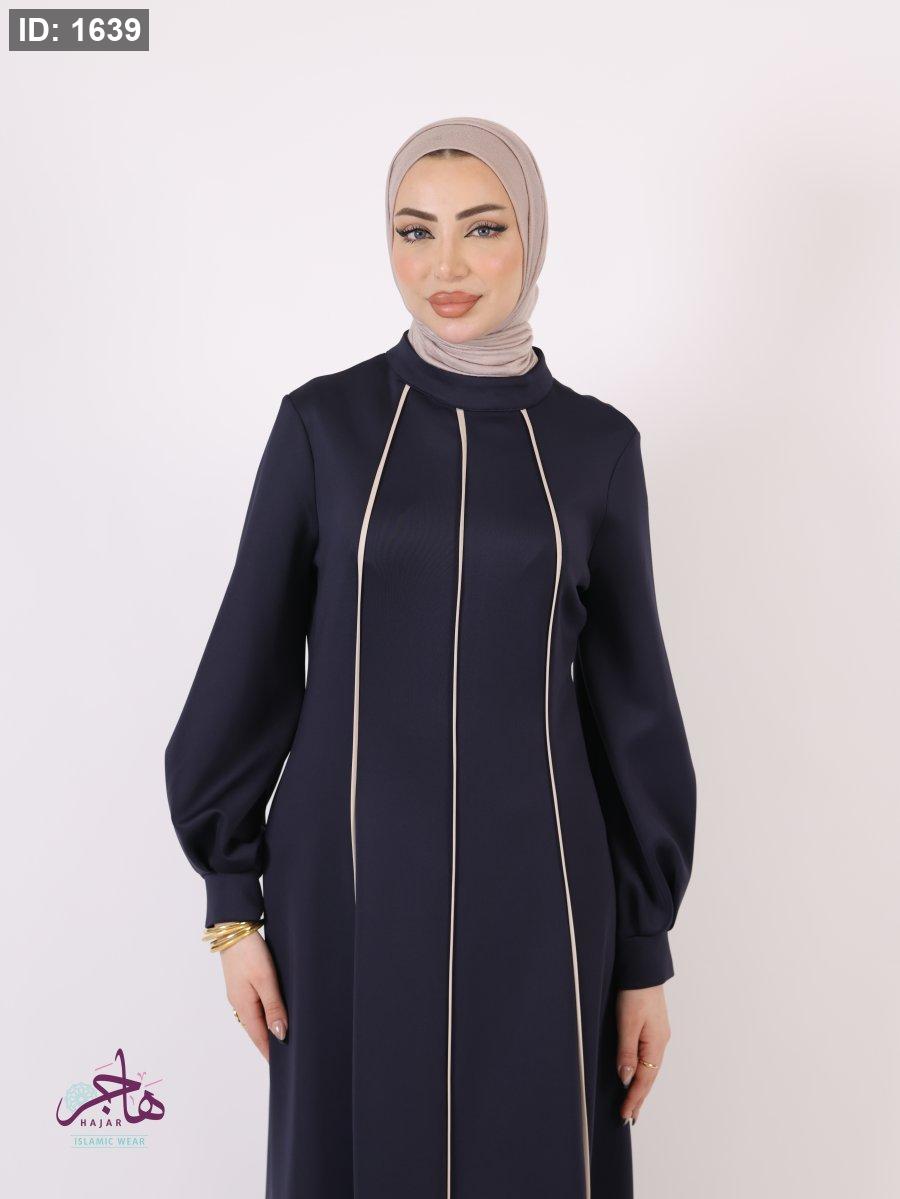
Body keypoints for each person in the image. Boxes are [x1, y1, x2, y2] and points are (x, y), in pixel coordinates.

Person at [164, 115, 697, 1199]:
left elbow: (632, 707)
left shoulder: (597, 449)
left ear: (531, 236)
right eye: (416, 231)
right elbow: (247, 666)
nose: (445, 265)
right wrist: (233, 906)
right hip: (346, 891)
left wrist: (642, 952)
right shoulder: (323, 428)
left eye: (482, 228)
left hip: (544, 901)